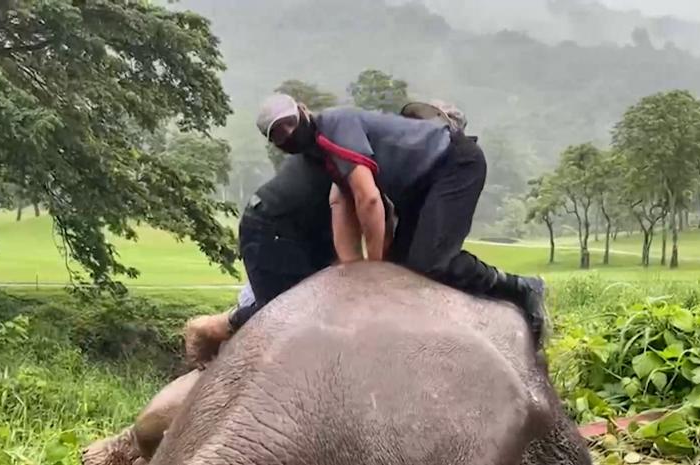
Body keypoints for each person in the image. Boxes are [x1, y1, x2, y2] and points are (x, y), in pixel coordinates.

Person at [255, 93, 548, 347]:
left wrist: (373, 269)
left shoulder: (334, 126)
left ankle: (520, 287)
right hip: (419, 187)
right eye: (278, 133)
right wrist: (352, 270)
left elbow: (368, 200)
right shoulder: (317, 153)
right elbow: (343, 202)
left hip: (453, 164)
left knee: (430, 263)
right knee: (402, 270)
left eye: (290, 122)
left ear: (303, 110)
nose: (288, 133)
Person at [182, 152, 340, 367]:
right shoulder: (357, 153)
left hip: (311, 230)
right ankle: (209, 328)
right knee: (281, 312)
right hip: (282, 231)